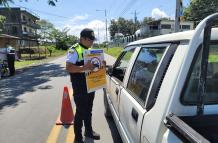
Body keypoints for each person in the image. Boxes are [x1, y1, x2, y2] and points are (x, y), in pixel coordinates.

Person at [66, 28, 100, 143]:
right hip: (80, 86)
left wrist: (102, 65)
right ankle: (78, 138)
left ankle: (89, 131)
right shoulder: (74, 50)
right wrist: (84, 68)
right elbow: (69, 68)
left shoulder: (91, 50)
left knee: (89, 109)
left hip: (91, 84)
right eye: (90, 40)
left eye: (93, 40)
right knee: (80, 111)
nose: (92, 42)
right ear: (83, 38)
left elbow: (95, 66)